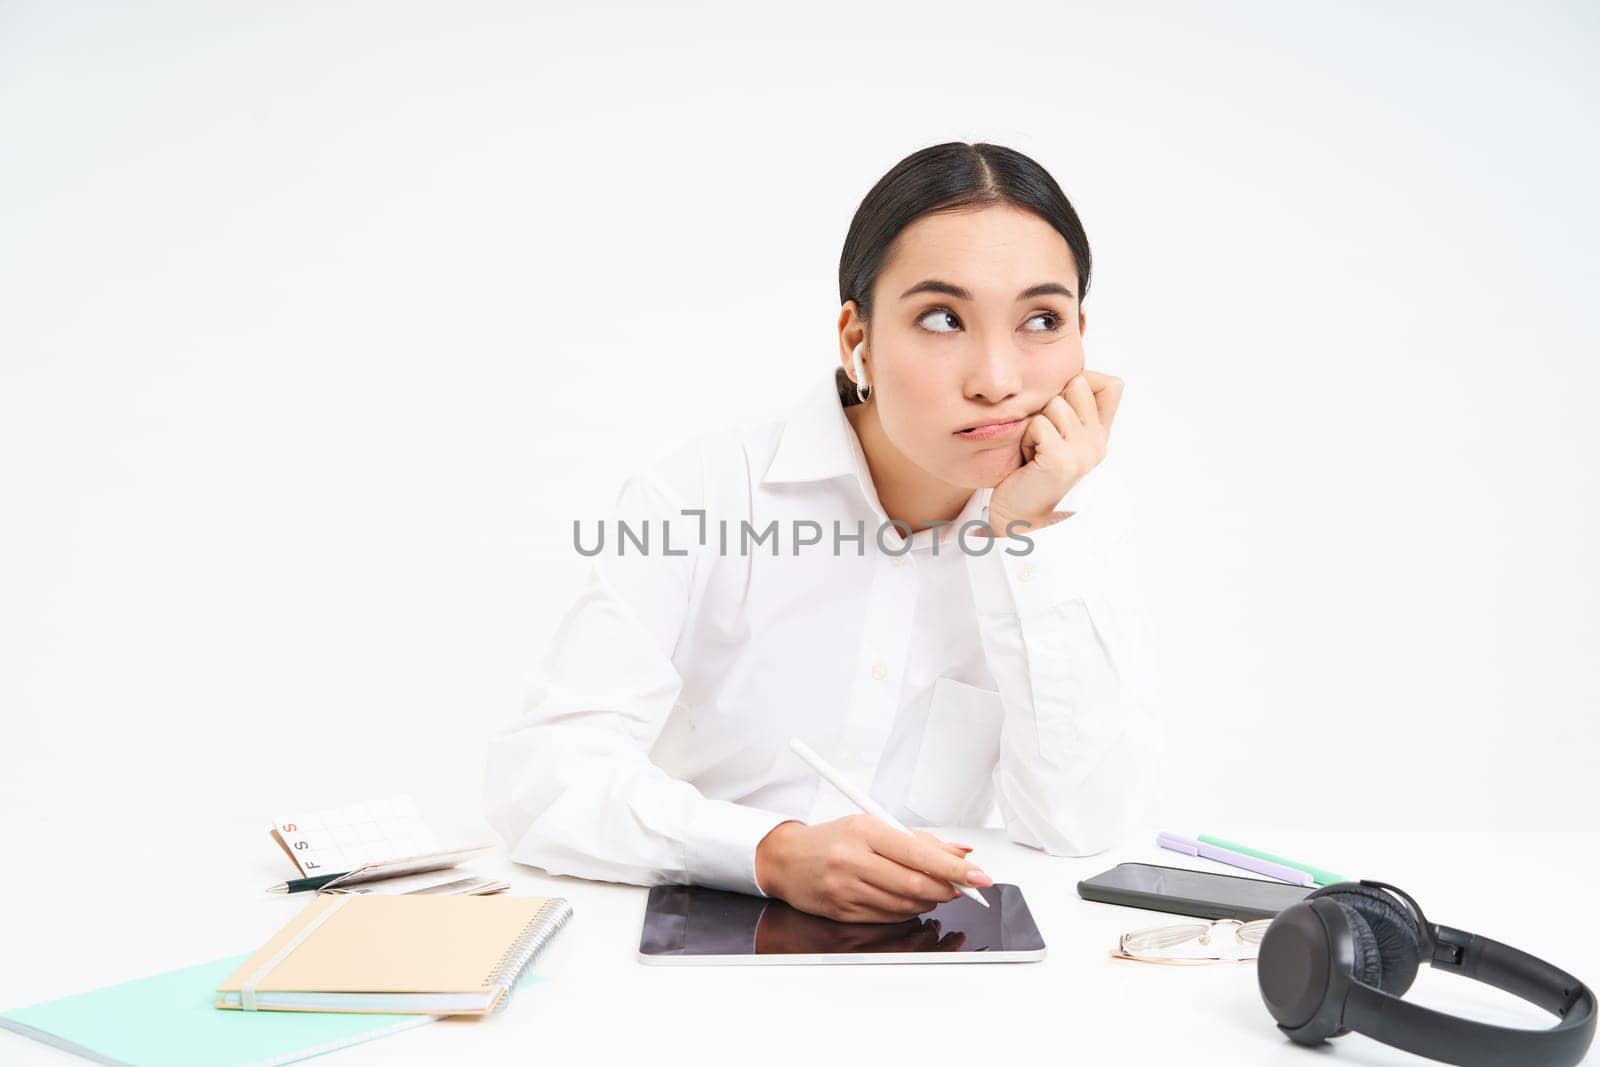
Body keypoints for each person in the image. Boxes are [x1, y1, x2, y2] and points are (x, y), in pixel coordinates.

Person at [485, 141, 1164, 925]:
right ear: (857, 340)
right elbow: (539, 775)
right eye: (943, 318)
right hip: (703, 947)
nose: (997, 378)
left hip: (938, 964)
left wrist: (1029, 535)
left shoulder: (1077, 519)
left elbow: (1082, 826)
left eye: (1041, 320)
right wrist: (766, 851)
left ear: (1082, 334)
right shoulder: (702, 492)